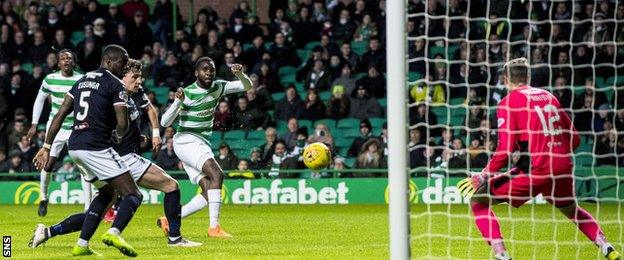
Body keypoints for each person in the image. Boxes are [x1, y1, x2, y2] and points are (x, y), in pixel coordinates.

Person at [457, 58, 621, 260]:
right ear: (528, 76)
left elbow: (505, 150)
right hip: (562, 168)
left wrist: (482, 176)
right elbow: (575, 139)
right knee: (572, 210)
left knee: (478, 200)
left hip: (535, 170)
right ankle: (607, 247)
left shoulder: (508, 103)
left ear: (506, 78)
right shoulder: (548, 96)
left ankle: (501, 255)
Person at [29, 59, 201, 250]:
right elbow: (115, 127)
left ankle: (51, 233)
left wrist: (144, 136)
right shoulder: (113, 94)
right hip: (120, 157)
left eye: (140, 77)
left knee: (97, 210)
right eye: (134, 77)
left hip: (101, 155)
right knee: (171, 186)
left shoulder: (129, 94)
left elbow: (144, 113)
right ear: (121, 76)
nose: (139, 81)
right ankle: (173, 239)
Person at [32, 45, 141, 257]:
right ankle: (114, 233)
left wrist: (46, 146)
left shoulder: (80, 81)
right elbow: (122, 123)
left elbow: (60, 114)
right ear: (109, 61)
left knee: (107, 192)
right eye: (122, 61)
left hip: (75, 147)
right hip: (96, 147)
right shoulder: (115, 83)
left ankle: (81, 244)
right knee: (133, 194)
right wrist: (118, 135)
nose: (125, 65)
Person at [160, 57, 252, 238]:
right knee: (217, 174)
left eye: (212, 69)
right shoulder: (188, 92)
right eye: (204, 69)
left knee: (210, 190)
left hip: (200, 142)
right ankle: (214, 228)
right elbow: (165, 122)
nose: (209, 72)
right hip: (186, 140)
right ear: (196, 73)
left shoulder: (218, 86)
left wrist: (240, 74)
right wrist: (178, 102)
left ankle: (169, 220)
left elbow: (246, 87)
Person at [26, 49, 85, 217]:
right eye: (63, 58)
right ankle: (43, 198)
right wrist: (34, 124)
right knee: (48, 164)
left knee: (83, 165)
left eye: (70, 58)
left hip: (76, 127)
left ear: (74, 62)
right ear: (58, 63)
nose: (66, 60)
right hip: (55, 128)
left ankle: (88, 206)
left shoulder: (82, 79)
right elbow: (40, 99)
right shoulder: (50, 79)